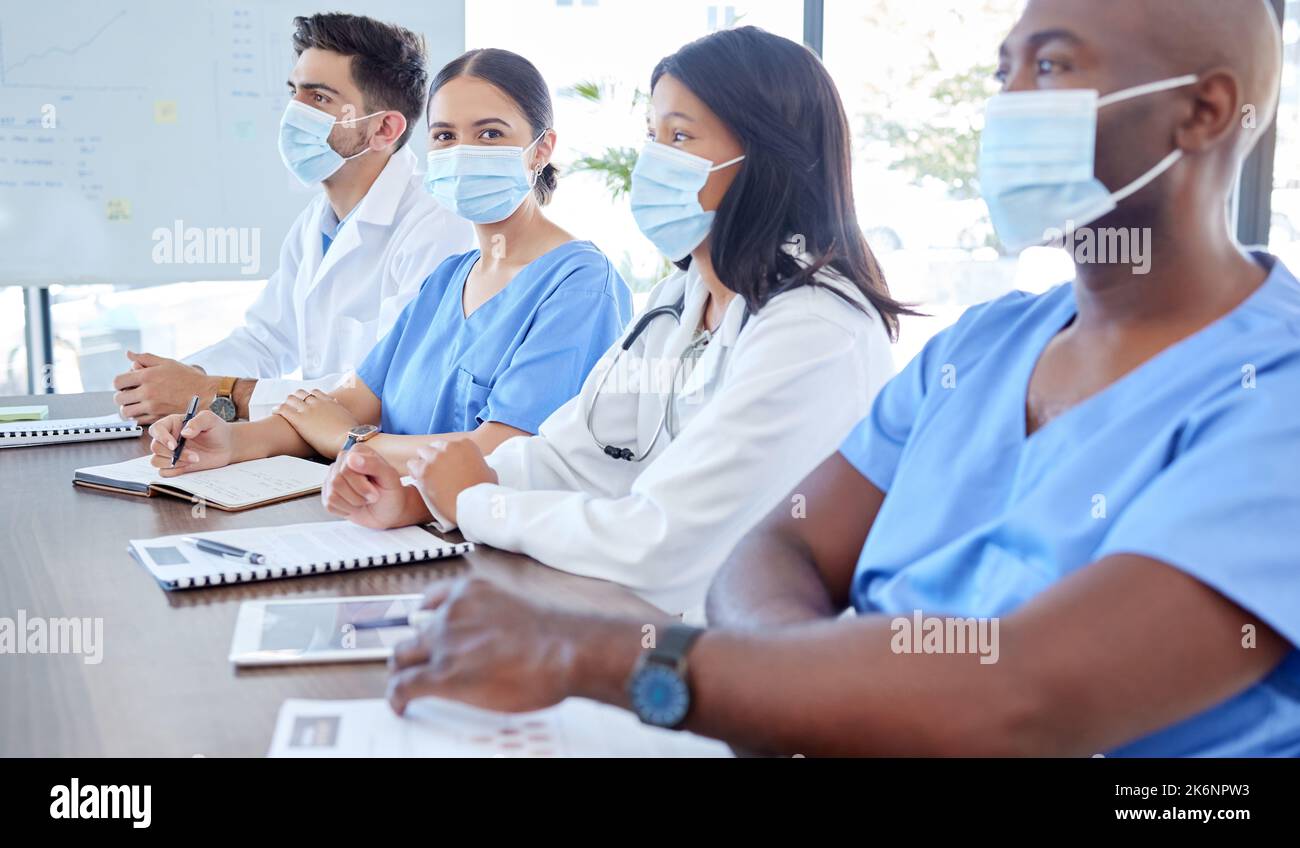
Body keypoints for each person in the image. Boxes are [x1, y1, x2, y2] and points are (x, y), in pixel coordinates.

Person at [380, 0, 1300, 758]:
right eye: (1001, 73)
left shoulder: (1276, 397)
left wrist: (603, 656)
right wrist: (819, 693)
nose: (1009, 106)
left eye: (1051, 69)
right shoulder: (978, 350)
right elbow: (774, 552)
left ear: (1206, 111)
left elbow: (1022, 696)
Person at [323, 27, 904, 616]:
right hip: (641, 624)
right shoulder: (681, 302)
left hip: (749, 666)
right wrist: (421, 496)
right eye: (652, 135)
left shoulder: (815, 329)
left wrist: (473, 500)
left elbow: (662, 542)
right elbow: (570, 457)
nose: (652, 159)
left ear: (766, 157)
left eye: (679, 136)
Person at [145, 48, 631, 473]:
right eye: (444, 136)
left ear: (541, 148)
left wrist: (354, 442)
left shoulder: (579, 285)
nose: (462, 153)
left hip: (487, 551)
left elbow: (501, 451)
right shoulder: (448, 279)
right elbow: (357, 400)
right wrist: (230, 442)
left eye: (489, 134)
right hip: (389, 523)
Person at [112, 13, 474, 424]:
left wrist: (211, 392)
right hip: (320, 452)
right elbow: (266, 342)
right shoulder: (314, 223)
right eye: (294, 92)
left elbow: (386, 390)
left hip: (391, 467)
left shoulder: (440, 226)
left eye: (319, 98)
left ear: (384, 129)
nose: (293, 113)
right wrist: (176, 379)